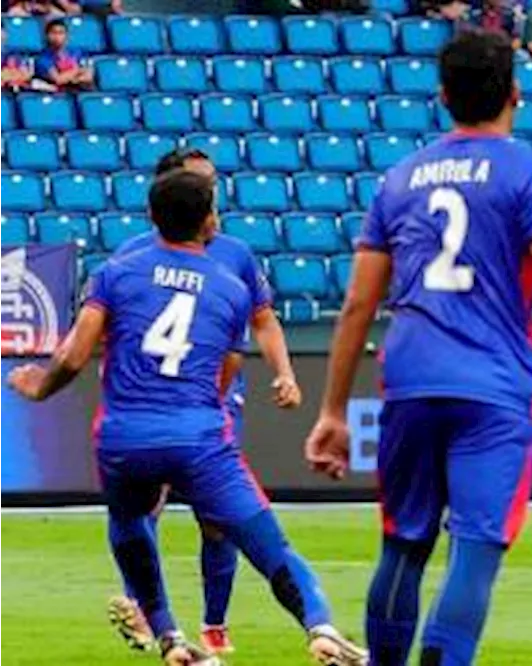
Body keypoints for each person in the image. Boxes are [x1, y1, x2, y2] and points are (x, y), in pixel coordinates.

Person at [303, 31, 532, 666]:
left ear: (442, 96)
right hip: (493, 386)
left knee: (402, 545)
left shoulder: (401, 176)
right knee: (473, 549)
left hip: (412, 378)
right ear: (516, 93)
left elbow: (359, 305)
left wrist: (333, 411)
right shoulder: (530, 170)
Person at [7, 169, 367, 666]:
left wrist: (39, 386)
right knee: (262, 536)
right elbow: (231, 363)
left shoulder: (116, 272)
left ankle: (171, 639)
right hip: (197, 435)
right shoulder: (231, 288)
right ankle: (319, 627)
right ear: (210, 223)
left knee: (129, 522)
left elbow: (73, 355)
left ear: (152, 217)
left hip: (124, 435)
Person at [102, 149, 302, 658]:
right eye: (202, 183)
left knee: (216, 519)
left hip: (212, 403)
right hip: (154, 400)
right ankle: (144, 610)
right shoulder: (132, 255)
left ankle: (214, 623)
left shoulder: (234, 253)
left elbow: (262, 319)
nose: (212, 193)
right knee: (147, 502)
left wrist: (283, 371)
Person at [35, 19, 92, 91]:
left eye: (61, 33)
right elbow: (58, 79)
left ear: (67, 35)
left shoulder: (78, 52)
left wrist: (71, 78)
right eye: (54, 33)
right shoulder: (43, 58)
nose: (57, 37)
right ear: (47, 36)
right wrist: (78, 70)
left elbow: (88, 77)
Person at [0, 23, 33, 92]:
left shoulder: (14, 53)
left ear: (5, 34)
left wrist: (8, 75)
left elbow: (27, 75)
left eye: (1, 31)